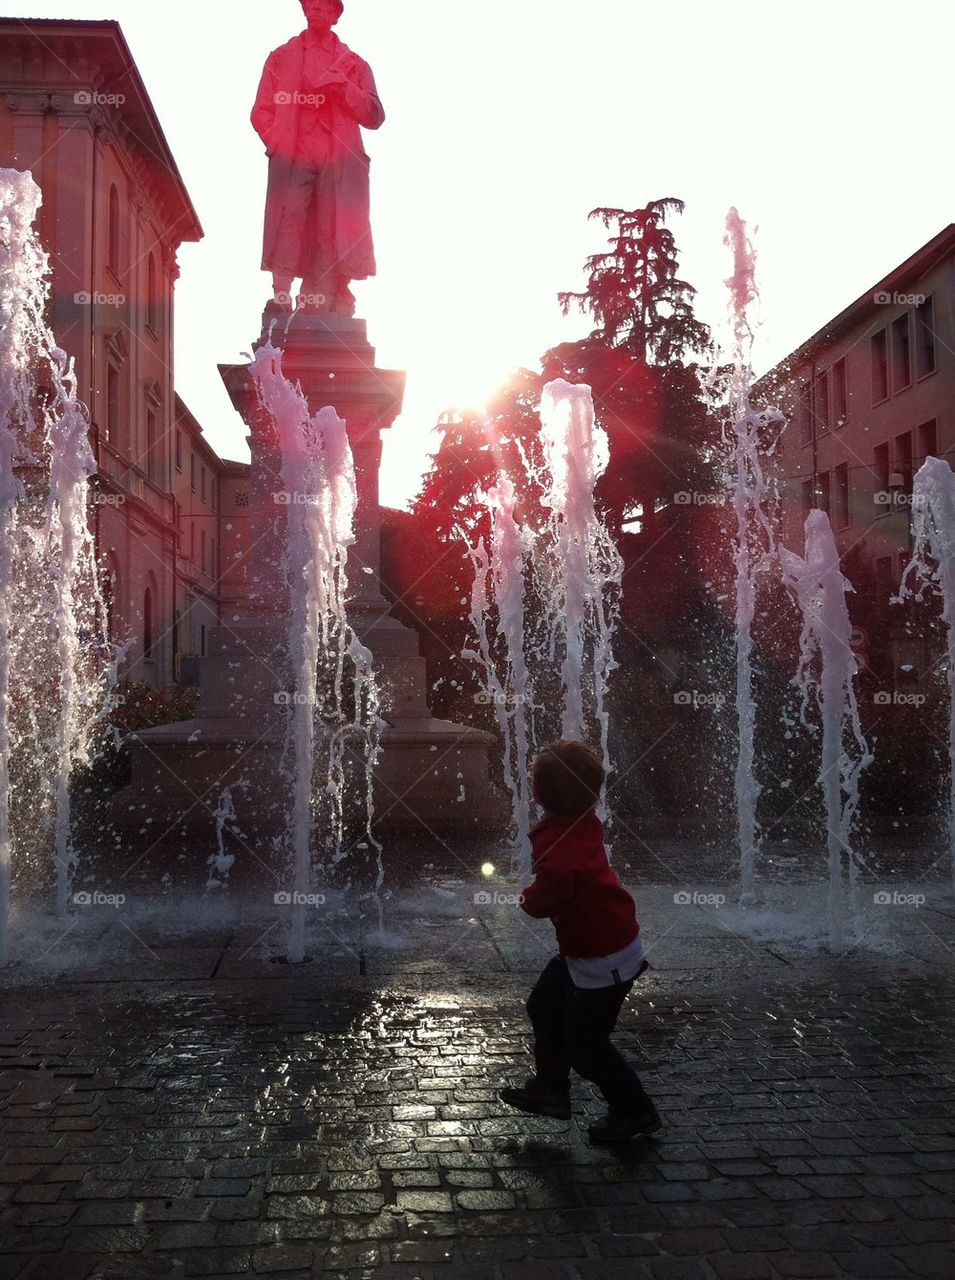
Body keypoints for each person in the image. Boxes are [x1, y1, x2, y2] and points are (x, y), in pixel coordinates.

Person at [500, 740, 661, 1143]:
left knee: (588, 1047)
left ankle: (635, 1111)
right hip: (596, 946)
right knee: (543, 1005)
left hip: (602, 957)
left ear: (537, 794)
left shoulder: (559, 846)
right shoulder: (581, 820)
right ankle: (552, 1088)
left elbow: (550, 895)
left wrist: (528, 898)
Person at [251, 0, 384, 316]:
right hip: (296, 151)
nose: (314, 9)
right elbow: (261, 110)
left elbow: (375, 115)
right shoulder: (281, 58)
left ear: (336, 14)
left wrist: (343, 86)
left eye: (322, 5)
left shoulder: (353, 65)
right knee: (289, 216)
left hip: (337, 157)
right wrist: (279, 141)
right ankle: (281, 294)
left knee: (330, 224)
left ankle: (320, 298)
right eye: (309, 4)